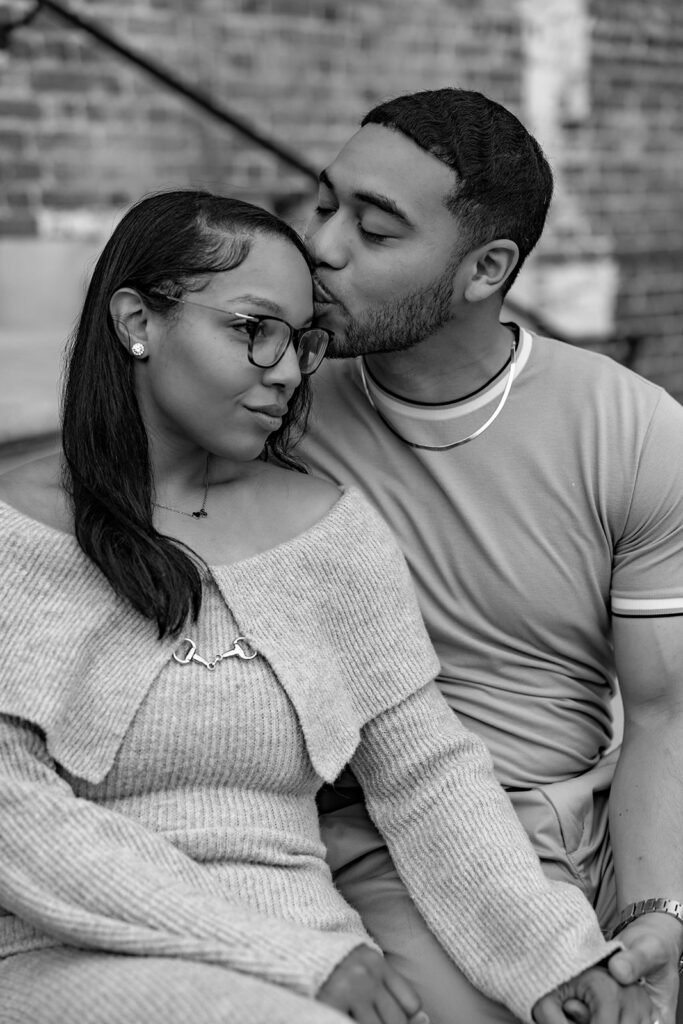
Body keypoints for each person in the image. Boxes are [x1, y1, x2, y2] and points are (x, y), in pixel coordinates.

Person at [0, 189, 651, 1024]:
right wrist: (288, 958)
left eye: (301, 340)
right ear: (137, 322)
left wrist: (554, 960)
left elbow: (427, 777)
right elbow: (15, 815)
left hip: (321, 955)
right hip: (74, 954)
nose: (284, 370)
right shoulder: (17, 536)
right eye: (252, 329)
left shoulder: (329, 532)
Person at [298, 87, 683, 1024]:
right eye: (323, 204)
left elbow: (661, 714)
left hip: (599, 817)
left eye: (374, 229)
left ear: (486, 269)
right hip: (395, 831)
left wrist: (656, 913)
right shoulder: (275, 416)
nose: (322, 246)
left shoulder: (632, 429)